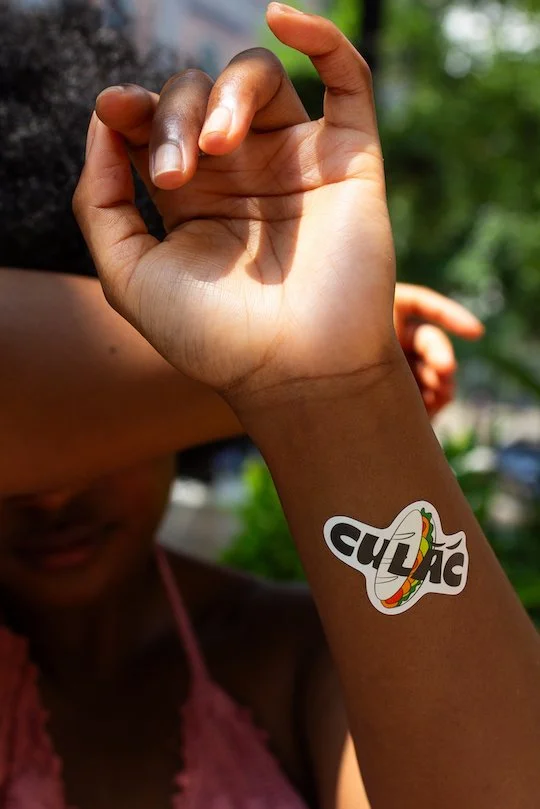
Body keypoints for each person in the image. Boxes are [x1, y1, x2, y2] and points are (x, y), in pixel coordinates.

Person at [0, 3, 494, 809]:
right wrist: (233, 375)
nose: (56, 495)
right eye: (74, 428)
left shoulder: (297, 660)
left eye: (100, 450)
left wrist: (332, 381)